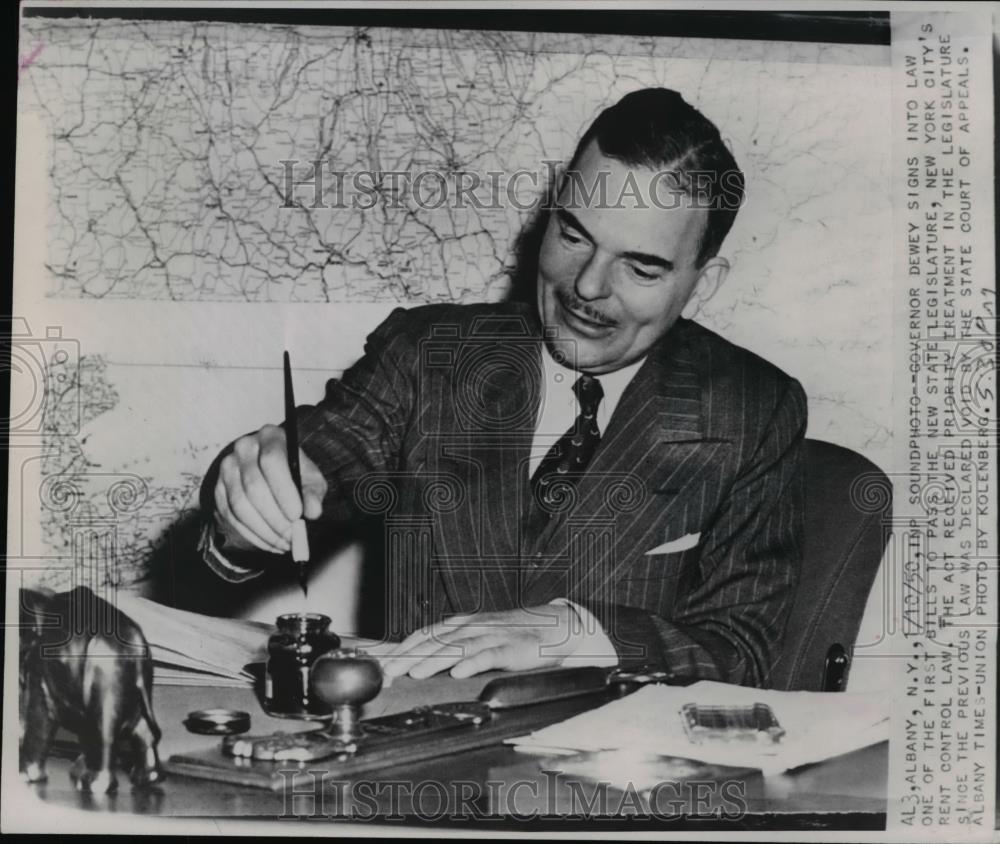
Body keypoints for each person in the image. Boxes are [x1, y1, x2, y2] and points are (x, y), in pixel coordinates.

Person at [200, 88, 807, 688]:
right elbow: (326, 453)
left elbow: (742, 651)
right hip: (413, 765)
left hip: (615, 778)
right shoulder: (429, 353)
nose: (588, 286)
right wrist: (260, 495)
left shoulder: (752, 409)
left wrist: (575, 634)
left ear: (703, 284)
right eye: (573, 236)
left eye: (640, 267)